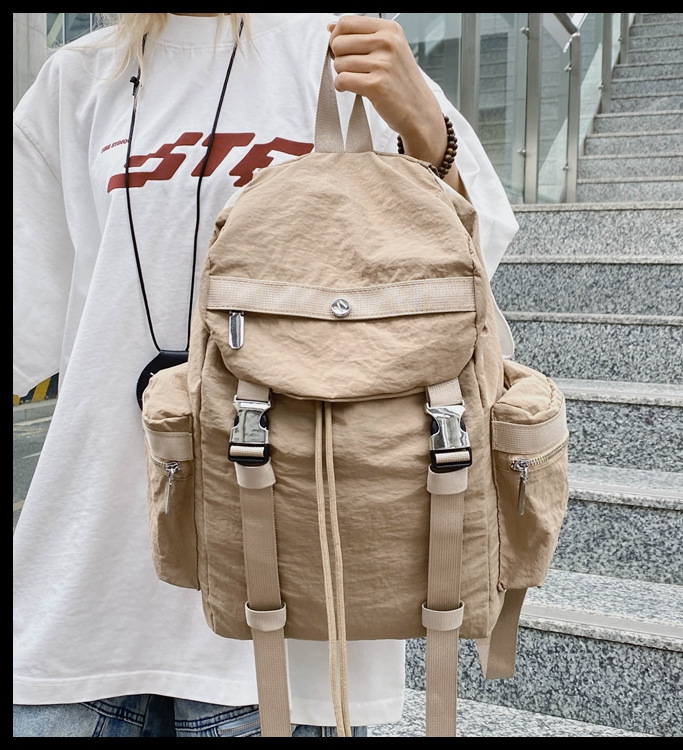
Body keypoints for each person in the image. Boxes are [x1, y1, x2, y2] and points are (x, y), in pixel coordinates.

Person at [13, 13, 519, 737]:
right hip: (85, 604)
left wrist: (429, 138)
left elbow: (468, 285)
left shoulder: (343, 56)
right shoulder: (79, 78)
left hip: (294, 619)